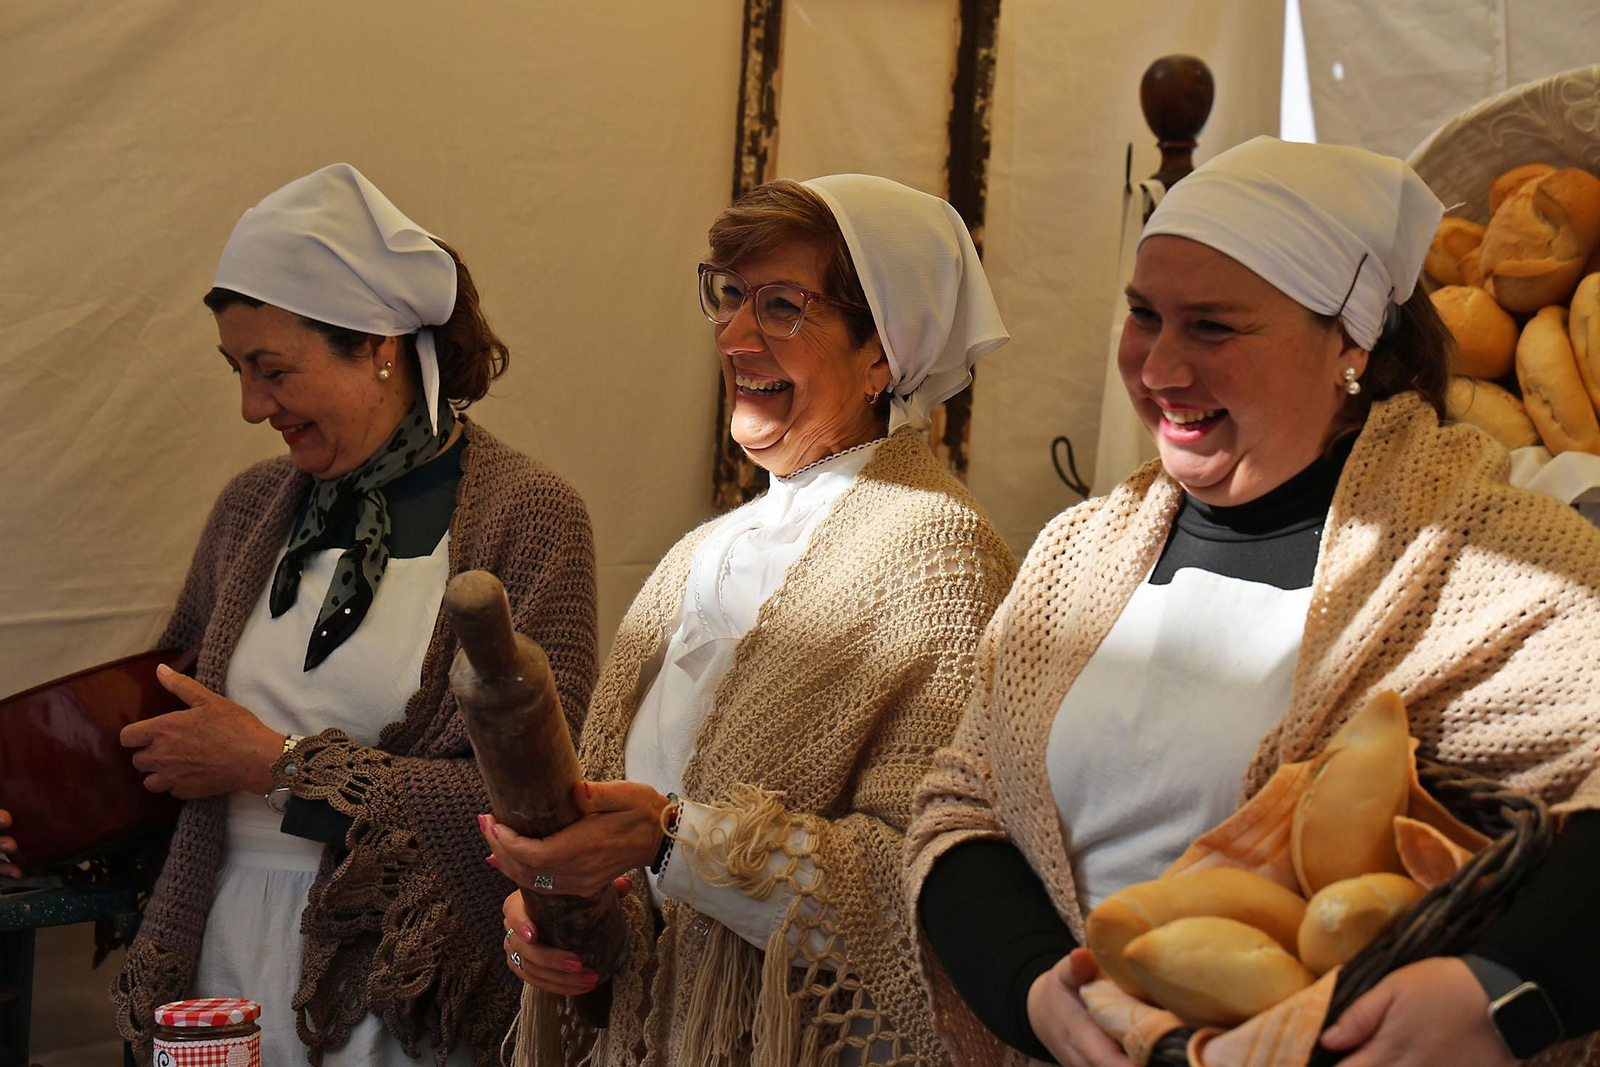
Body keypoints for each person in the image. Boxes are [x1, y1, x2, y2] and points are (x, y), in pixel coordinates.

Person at [906, 136, 1600, 1067]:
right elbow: (963, 805)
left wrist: (1501, 990)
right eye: (1144, 315)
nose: (1157, 368)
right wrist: (1036, 987)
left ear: (1350, 341)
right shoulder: (1080, 552)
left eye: (1213, 327)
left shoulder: (1502, 562)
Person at [482, 175, 1018, 1067]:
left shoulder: (942, 558)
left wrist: (671, 839)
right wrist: (556, 904)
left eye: (781, 305)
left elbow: (921, 887)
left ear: (884, 351)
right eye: (729, 297)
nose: (734, 335)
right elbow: (619, 841)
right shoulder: (699, 558)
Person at [86, 164, 598, 1066]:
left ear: (379, 345)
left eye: (273, 369)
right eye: (237, 369)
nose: (251, 406)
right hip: (220, 959)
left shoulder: (528, 517)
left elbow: (541, 807)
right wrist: (36, 807)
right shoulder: (251, 510)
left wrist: (275, 765)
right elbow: (167, 733)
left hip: (401, 988)